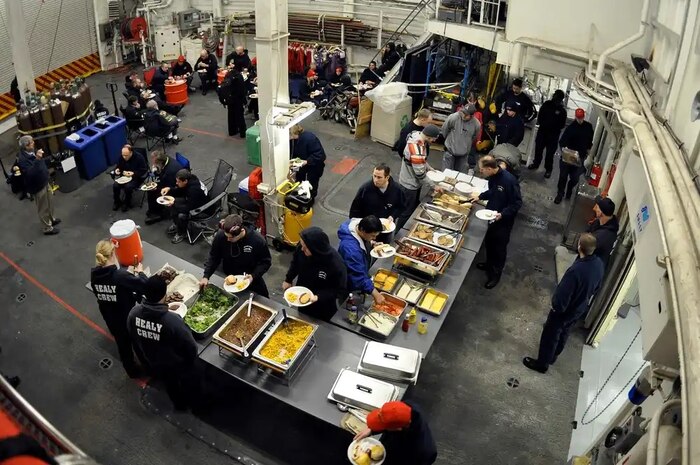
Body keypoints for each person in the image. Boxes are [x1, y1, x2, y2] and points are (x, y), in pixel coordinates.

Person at [523, 233, 604, 373]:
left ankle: (542, 364)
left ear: (579, 247)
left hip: (565, 310)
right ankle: (554, 355)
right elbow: (597, 287)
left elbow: (563, 295)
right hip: (580, 308)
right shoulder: (598, 264)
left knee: (551, 334)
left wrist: (555, 308)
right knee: (565, 332)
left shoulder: (575, 271)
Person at [128, 275, 201, 410]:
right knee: (182, 384)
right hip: (175, 365)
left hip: (152, 362)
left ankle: (178, 403)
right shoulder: (172, 320)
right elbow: (191, 347)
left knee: (169, 385)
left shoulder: (134, 313)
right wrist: (188, 363)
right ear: (165, 294)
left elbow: (133, 338)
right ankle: (187, 404)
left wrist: (144, 361)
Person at [90, 240, 148, 378]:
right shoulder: (119, 276)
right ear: (113, 255)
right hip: (126, 317)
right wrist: (140, 273)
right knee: (137, 342)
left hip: (110, 317)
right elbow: (144, 285)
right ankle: (147, 367)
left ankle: (131, 370)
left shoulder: (95, 275)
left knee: (123, 346)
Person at [470, 155, 522, 289]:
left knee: (499, 248)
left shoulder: (509, 181)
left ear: (489, 168)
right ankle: (488, 264)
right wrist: (480, 196)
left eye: (482, 169)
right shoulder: (492, 177)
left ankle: (495, 274)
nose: (480, 171)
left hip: (503, 221)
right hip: (491, 216)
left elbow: (517, 203)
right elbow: (493, 191)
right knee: (490, 242)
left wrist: (503, 214)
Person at [283, 227, 347, 321]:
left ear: (316, 249)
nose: (302, 249)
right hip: (302, 297)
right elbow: (295, 263)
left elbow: (339, 290)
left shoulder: (336, 264)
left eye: (305, 247)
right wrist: (288, 279)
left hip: (323, 306)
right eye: (302, 245)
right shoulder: (302, 249)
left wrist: (318, 297)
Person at [200, 214, 272, 298]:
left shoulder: (257, 240)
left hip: (252, 279)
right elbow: (214, 257)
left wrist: (253, 276)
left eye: (231, 238)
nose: (227, 239)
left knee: (263, 301)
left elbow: (265, 262)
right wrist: (206, 276)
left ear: (241, 231)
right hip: (231, 280)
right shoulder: (221, 236)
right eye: (226, 236)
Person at [354, 401, 437, 465]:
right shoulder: (406, 407)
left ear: (398, 429)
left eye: (384, 426)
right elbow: (390, 417)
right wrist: (372, 430)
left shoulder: (424, 451)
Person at [396, 125, 441, 230]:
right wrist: (434, 186)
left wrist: (428, 166)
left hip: (407, 178)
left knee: (409, 208)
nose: (434, 141)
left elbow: (420, 159)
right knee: (406, 212)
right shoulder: (416, 149)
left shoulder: (416, 136)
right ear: (429, 137)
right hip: (409, 184)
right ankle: (398, 234)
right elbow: (420, 174)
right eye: (434, 139)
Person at [337, 215, 386, 305]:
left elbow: (361, 241)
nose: (374, 238)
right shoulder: (351, 250)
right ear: (363, 230)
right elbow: (357, 276)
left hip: (359, 273)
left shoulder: (357, 226)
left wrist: (372, 243)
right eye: (372, 236)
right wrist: (376, 294)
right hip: (349, 283)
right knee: (349, 303)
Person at [349, 163, 405, 242]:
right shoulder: (365, 189)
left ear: (387, 177)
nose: (375, 180)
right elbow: (355, 210)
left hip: (386, 230)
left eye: (379, 177)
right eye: (374, 176)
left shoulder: (397, 190)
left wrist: (393, 216)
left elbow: (401, 206)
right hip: (368, 231)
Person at [16, 136, 60, 235]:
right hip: (37, 186)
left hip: (44, 180)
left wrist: (51, 159)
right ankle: (47, 228)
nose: (34, 143)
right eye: (31, 142)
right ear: (26, 146)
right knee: (43, 207)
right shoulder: (23, 160)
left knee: (49, 202)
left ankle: (52, 219)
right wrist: (38, 158)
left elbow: (41, 164)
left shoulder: (32, 150)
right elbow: (31, 173)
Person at [554, 108, 594, 204]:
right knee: (563, 176)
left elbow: (589, 142)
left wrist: (588, 153)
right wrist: (565, 151)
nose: (580, 119)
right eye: (578, 117)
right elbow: (562, 142)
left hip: (580, 157)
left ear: (584, 116)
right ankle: (560, 193)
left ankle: (570, 189)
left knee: (575, 178)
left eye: (581, 117)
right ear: (576, 117)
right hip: (569, 156)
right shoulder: (570, 128)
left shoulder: (588, 127)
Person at [162, 169, 208, 244]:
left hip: (201, 209)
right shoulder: (191, 179)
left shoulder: (193, 190)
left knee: (181, 215)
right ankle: (177, 224)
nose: (176, 183)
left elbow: (189, 208)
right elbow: (181, 190)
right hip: (192, 202)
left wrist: (174, 205)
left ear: (185, 181)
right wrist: (169, 189)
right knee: (171, 202)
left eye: (178, 181)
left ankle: (181, 233)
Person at [529, 89, 567, 177]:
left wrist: (553, 128)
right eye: (555, 95)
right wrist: (542, 124)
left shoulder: (562, 111)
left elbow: (562, 124)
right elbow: (540, 115)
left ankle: (548, 169)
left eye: (556, 96)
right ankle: (536, 163)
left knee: (550, 154)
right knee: (538, 149)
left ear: (560, 98)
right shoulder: (547, 104)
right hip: (542, 132)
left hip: (553, 135)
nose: (554, 97)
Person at [145, 150, 184, 225]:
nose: (153, 164)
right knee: (152, 189)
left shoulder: (170, 171)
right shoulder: (166, 159)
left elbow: (167, 185)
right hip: (170, 182)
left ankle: (158, 214)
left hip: (175, 188)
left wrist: (156, 176)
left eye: (155, 163)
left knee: (153, 191)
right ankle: (153, 210)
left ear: (160, 163)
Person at [440, 104, 481, 173]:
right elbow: (444, 130)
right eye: (463, 113)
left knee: (459, 176)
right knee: (445, 173)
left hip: (463, 155)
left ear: (471, 116)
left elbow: (474, 137)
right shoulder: (453, 117)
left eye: (466, 115)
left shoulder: (476, 124)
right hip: (450, 151)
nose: (463, 115)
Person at [290, 124, 326, 199]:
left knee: (312, 184)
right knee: (299, 180)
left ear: (294, 133)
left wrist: (306, 162)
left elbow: (320, 155)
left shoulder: (309, 138)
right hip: (302, 165)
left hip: (315, 165)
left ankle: (310, 199)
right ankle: (299, 197)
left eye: (290, 135)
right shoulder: (293, 140)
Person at [112, 145, 148, 212]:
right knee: (115, 185)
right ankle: (117, 201)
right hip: (125, 176)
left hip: (136, 177)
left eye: (126, 155)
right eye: (123, 155)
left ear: (131, 153)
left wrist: (133, 173)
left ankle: (127, 202)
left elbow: (144, 170)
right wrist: (117, 170)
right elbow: (119, 166)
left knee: (128, 187)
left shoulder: (139, 158)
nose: (124, 157)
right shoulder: (122, 157)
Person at [587, 196, 619, 268]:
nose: (594, 208)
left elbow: (584, 247)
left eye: (597, 207)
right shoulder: (598, 221)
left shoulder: (604, 236)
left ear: (600, 213)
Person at [218, 67, 248, 138]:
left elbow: (223, 88)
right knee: (240, 115)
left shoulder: (228, 75)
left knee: (231, 115)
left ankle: (232, 131)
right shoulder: (239, 77)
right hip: (238, 98)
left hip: (229, 99)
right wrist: (244, 101)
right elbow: (242, 90)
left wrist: (223, 102)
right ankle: (242, 133)